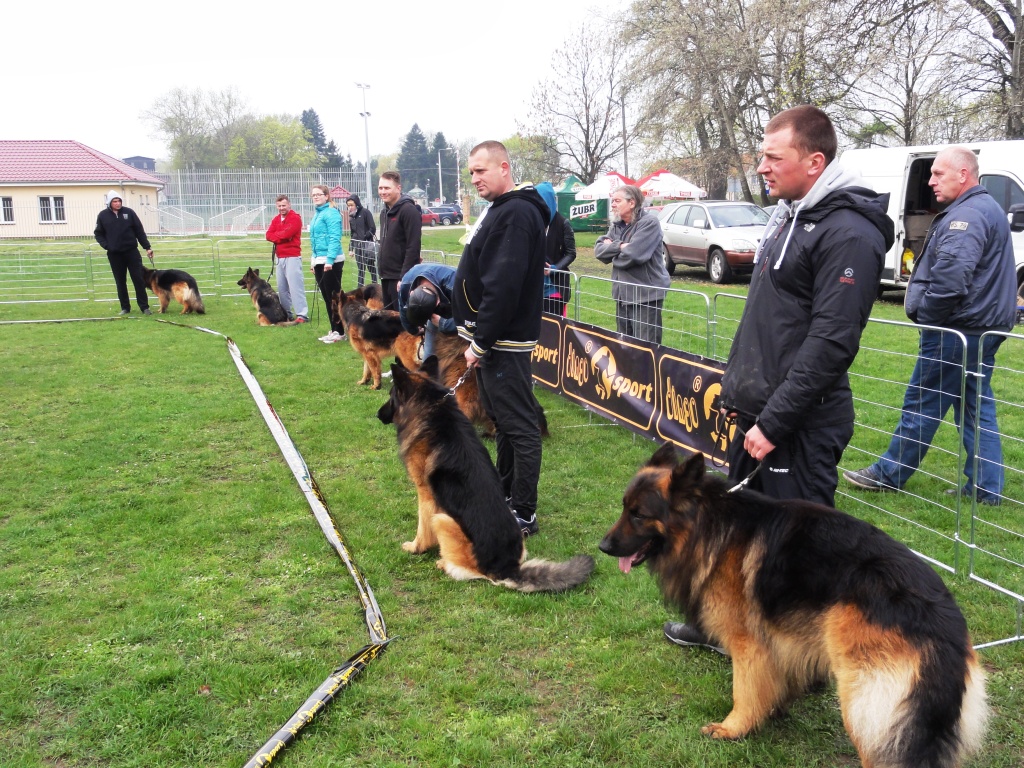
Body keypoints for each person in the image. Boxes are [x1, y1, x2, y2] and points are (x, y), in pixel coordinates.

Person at [665, 105, 893, 653]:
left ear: (815, 162)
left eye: (773, 156)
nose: (761, 166)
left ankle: (807, 655)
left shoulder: (850, 234)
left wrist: (774, 421)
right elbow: (772, 319)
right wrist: (740, 390)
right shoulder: (791, 215)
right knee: (737, 530)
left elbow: (830, 343)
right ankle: (726, 625)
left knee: (801, 548)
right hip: (759, 412)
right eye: (761, 154)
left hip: (798, 423)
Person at [843, 147, 1016, 506]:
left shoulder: (964, 216)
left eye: (938, 174)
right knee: (975, 406)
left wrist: (928, 316)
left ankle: (889, 474)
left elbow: (952, 279)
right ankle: (985, 488)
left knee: (923, 401)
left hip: (957, 329)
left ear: (963, 175)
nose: (931, 181)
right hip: (982, 328)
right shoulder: (986, 209)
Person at [454, 141, 548, 537]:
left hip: (503, 343)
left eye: (481, 170)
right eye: (471, 172)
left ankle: (523, 511)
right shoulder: (500, 211)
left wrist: (480, 343)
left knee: (521, 427)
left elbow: (503, 288)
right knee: (504, 424)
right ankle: (507, 495)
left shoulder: (515, 214)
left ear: (504, 168)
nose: (474, 179)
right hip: (496, 342)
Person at [594, 185, 670, 343]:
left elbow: (635, 255)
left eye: (617, 200)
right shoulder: (617, 225)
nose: (613, 204)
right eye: (612, 201)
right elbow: (599, 252)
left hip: (645, 296)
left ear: (632, 203)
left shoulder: (649, 223)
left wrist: (613, 249)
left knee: (645, 349)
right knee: (624, 348)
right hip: (622, 295)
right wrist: (620, 246)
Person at [94, 190, 153, 315]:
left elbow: (139, 231)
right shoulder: (102, 216)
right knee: (120, 281)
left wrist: (147, 247)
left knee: (138, 279)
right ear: (109, 202)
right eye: (114, 201)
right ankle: (125, 308)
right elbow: (98, 234)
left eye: (119, 201)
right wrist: (107, 246)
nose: (117, 203)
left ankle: (144, 307)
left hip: (131, 252)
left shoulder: (129, 213)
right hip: (115, 254)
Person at [377, 171, 422, 310]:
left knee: (403, 325)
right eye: (380, 188)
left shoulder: (409, 211)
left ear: (398, 188)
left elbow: (413, 246)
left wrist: (404, 277)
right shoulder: (384, 213)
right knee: (389, 323)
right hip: (386, 276)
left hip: (400, 278)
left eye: (387, 188)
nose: (383, 192)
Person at [308, 185, 345, 343]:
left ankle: (340, 331)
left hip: (331, 261)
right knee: (327, 297)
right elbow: (315, 240)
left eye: (319, 194)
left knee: (333, 297)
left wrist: (329, 261)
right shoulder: (318, 213)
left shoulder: (331, 213)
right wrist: (313, 260)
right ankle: (334, 328)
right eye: (313, 195)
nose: (315, 197)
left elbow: (334, 238)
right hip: (319, 259)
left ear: (327, 196)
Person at [398, 262, 457, 359]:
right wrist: (414, 330)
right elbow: (403, 310)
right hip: (436, 315)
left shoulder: (456, 286)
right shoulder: (406, 284)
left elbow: (470, 321)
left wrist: (444, 323)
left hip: (456, 310)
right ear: (411, 293)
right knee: (429, 354)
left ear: (437, 302)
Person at [265, 195, 307, 323]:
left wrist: (279, 236)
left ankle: (302, 315)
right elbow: (268, 235)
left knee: (295, 287)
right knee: (282, 288)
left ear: (289, 205)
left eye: (284, 205)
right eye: (279, 206)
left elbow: (287, 234)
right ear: (276, 206)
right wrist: (281, 237)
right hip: (280, 257)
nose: (282, 208)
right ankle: (287, 314)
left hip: (292, 256)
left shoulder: (295, 218)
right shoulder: (276, 219)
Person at [347, 195, 378, 288]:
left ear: (356, 204)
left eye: (351, 205)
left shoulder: (365, 212)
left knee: (371, 266)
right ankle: (360, 288)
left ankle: (375, 285)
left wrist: (365, 237)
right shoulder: (351, 217)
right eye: (348, 205)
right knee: (360, 268)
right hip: (358, 246)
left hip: (368, 245)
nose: (350, 207)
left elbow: (372, 228)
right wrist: (351, 248)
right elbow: (353, 233)